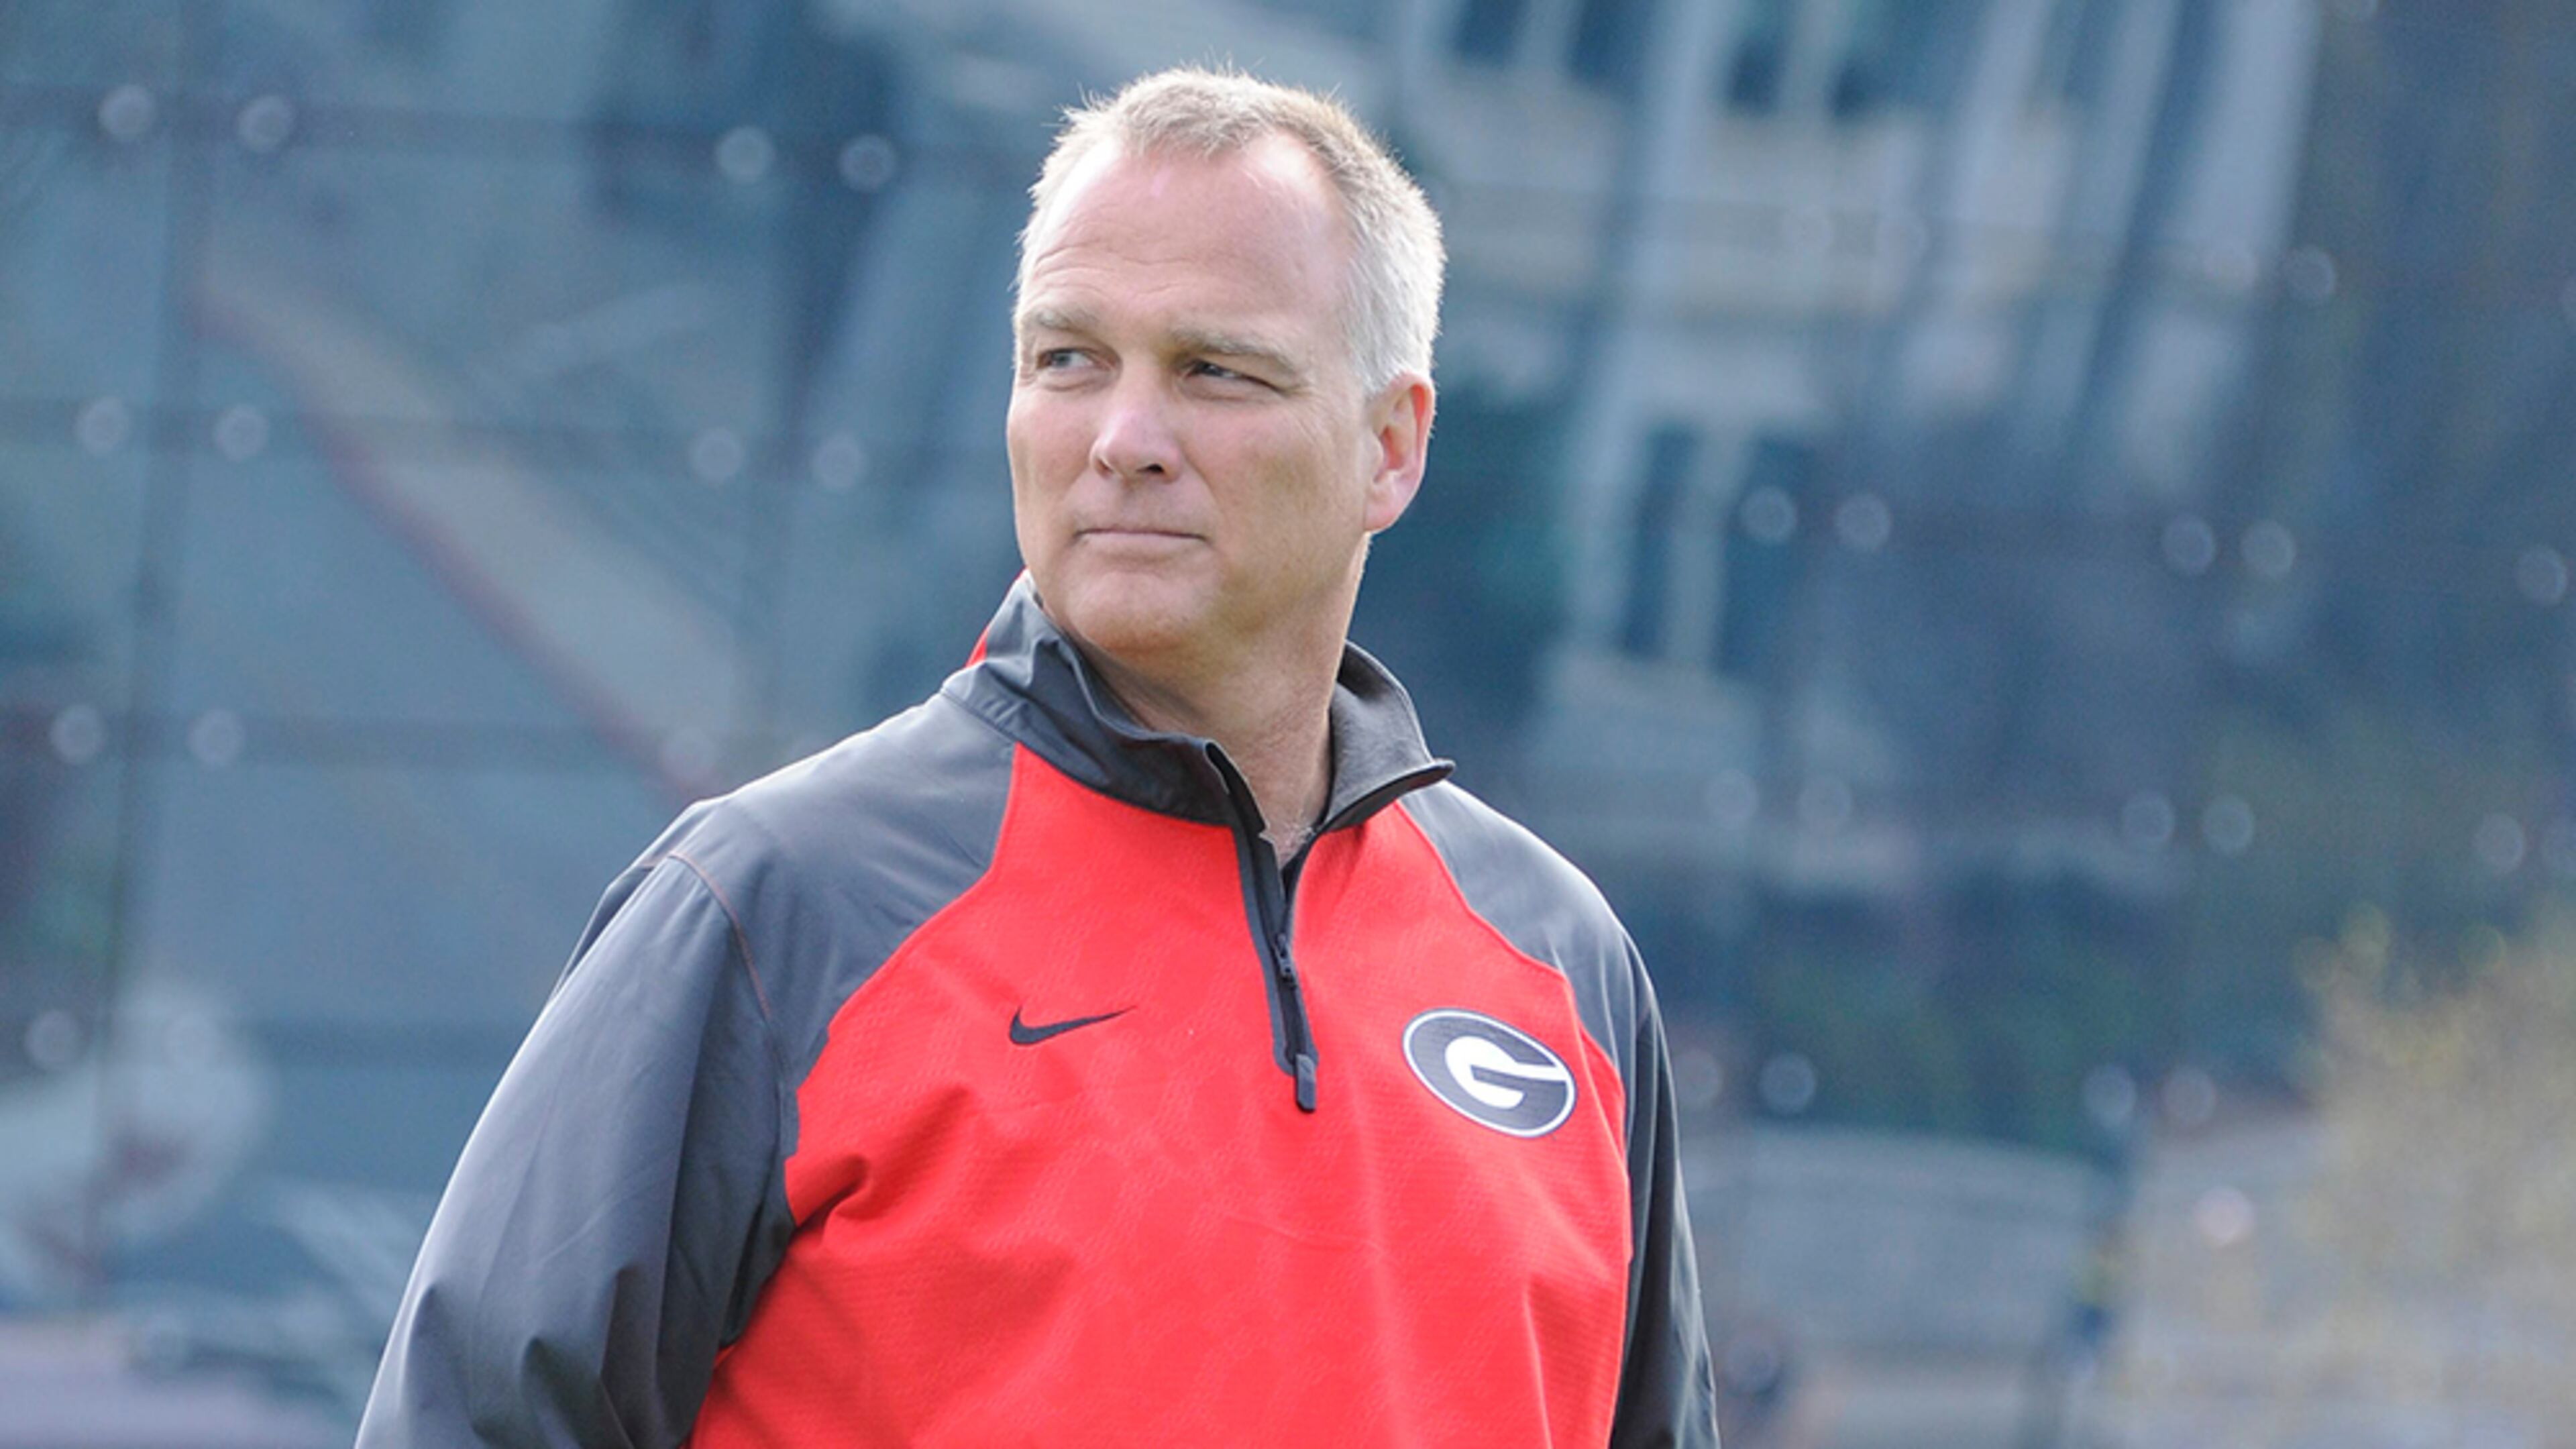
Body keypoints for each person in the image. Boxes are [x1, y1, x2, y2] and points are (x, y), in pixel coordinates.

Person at [358, 67, 1717, 1448]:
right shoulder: (773, 910)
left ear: (1391, 444)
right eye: (1069, 358)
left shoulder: (1565, 968)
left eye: (1214, 370)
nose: (1123, 441)